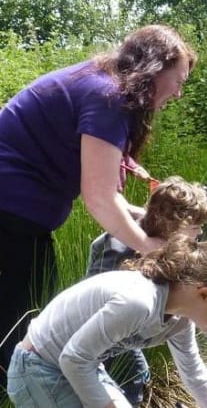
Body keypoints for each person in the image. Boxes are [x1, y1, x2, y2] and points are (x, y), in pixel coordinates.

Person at [0, 24, 196, 377]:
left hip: (16, 212)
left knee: (29, 311)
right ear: (155, 68)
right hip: (9, 209)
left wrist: (146, 216)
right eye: (179, 81)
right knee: (23, 320)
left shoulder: (102, 84)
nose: (179, 93)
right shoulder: (109, 98)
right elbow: (100, 199)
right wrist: (150, 245)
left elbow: (106, 190)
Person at [6, 234, 207, 408]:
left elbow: (193, 373)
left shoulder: (181, 318)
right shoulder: (138, 302)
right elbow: (72, 359)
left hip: (84, 365)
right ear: (204, 293)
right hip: (38, 368)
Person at [87, 176, 207, 406]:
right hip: (100, 334)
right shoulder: (118, 248)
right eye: (195, 227)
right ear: (172, 225)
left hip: (123, 336)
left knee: (136, 377)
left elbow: (203, 309)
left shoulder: (178, 255)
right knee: (132, 377)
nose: (200, 232)